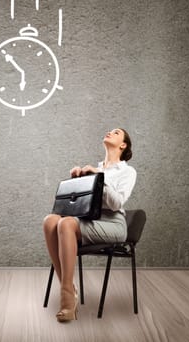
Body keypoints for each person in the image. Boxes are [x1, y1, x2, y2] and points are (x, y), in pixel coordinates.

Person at [42, 128, 137, 322]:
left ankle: (67, 299)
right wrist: (79, 180)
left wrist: (99, 179)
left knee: (66, 224)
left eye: (116, 132)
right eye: (110, 130)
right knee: (50, 220)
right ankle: (68, 288)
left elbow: (117, 203)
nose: (110, 132)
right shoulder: (96, 167)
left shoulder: (127, 171)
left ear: (123, 145)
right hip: (89, 220)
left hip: (113, 225)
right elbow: (82, 206)